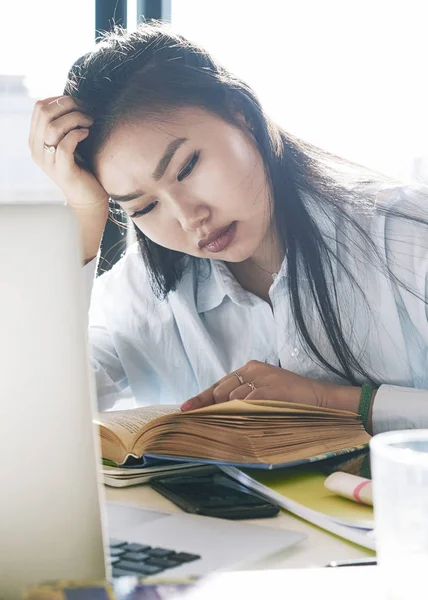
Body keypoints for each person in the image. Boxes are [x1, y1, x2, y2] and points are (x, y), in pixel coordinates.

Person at [30, 22, 428, 436]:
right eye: (145, 207)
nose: (188, 217)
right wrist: (81, 216)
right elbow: (34, 401)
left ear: (241, 115)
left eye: (187, 167)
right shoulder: (143, 294)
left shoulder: (406, 233)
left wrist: (335, 402)